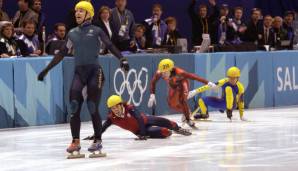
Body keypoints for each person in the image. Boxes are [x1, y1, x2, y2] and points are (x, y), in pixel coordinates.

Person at [37, 1, 130, 158]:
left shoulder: (97, 31)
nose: (77, 13)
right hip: (79, 73)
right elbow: (61, 54)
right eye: (76, 11)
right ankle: (75, 141)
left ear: (89, 14)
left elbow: (110, 45)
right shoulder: (72, 33)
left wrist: (122, 59)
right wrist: (46, 70)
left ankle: (98, 139)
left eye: (81, 11)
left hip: (95, 72)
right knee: (74, 107)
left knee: (92, 106)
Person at [84, 95, 192, 141]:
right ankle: (171, 131)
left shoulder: (129, 107)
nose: (115, 109)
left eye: (116, 106)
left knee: (168, 122)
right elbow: (103, 128)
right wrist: (95, 136)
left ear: (121, 104)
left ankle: (177, 128)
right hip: (139, 130)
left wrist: (143, 134)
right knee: (165, 132)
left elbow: (139, 118)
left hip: (146, 120)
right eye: (112, 108)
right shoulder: (111, 118)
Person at [148, 58, 216, 129]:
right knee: (171, 104)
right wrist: (152, 95)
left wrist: (208, 82)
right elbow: (153, 82)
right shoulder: (159, 73)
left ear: (171, 70)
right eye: (162, 72)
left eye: (165, 72)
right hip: (173, 84)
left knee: (182, 101)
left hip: (183, 83)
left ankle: (188, 119)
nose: (163, 74)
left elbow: (195, 77)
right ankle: (187, 110)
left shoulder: (180, 73)